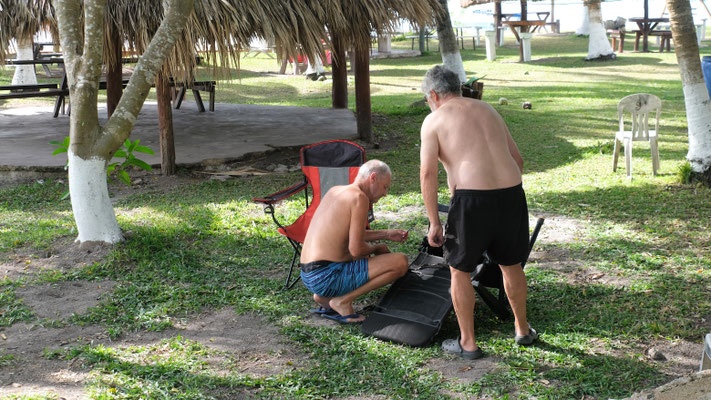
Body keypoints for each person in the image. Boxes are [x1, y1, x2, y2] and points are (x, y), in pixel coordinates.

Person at [419, 65, 537, 360]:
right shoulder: (488, 109)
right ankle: (523, 330)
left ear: (433, 94)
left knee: (459, 271)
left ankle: (468, 343)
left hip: (472, 200)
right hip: (511, 193)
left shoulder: (434, 120)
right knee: (511, 265)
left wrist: (435, 222)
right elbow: (518, 159)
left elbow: (427, 174)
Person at [299, 159, 409, 323]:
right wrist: (377, 248)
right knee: (400, 262)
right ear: (373, 178)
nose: (385, 193)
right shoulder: (359, 198)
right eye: (385, 187)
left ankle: (323, 298)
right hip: (327, 276)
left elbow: (348, 234)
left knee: (366, 257)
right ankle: (342, 301)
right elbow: (356, 249)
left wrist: (386, 234)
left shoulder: (336, 190)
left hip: (309, 275)